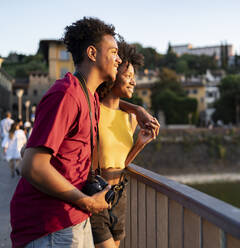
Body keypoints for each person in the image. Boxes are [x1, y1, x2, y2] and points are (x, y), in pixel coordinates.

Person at [10, 17, 158, 248]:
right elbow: (33, 166)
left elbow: (112, 103)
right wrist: (86, 202)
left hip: (73, 219)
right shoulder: (66, 94)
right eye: (113, 52)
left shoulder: (88, 97)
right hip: (51, 225)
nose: (119, 59)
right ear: (92, 53)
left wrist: (137, 110)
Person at [92, 38, 158, 248]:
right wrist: (137, 107)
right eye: (128, 76)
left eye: (133, 77)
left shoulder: (129, 118)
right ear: (112, 76)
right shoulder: (92, 109)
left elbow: (121, 162)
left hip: (119, 194)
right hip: (94, 193)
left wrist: (140, 143)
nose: (133, 81)